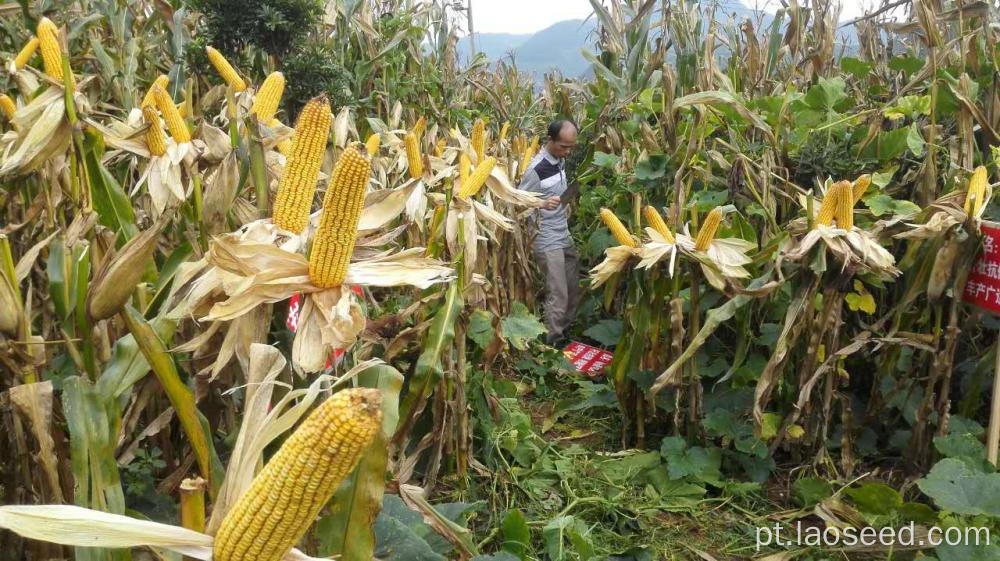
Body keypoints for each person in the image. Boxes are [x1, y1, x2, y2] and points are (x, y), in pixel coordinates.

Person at [518, 118, 580, 347]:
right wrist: (542, 205)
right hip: (545, 237)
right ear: (550, 141)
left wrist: (565, 202)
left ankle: (565, 331)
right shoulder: (537, 169)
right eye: (563, 146)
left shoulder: (559, 160)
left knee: (573, 285)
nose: (567, 152)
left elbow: (555, 189)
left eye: (571, 147)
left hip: (562, 233)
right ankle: (552, 342)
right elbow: (517, 201)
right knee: (558, 292)